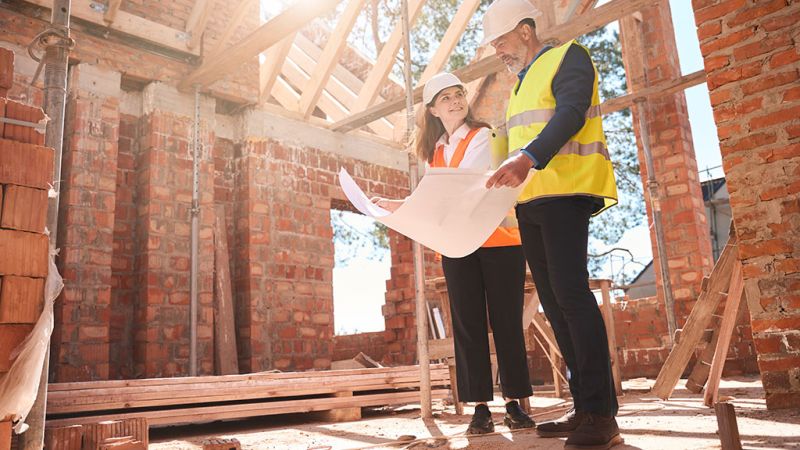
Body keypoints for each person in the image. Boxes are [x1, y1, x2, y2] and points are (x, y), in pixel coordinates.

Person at [481, 0, 621, 449]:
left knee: (572, 296)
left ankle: (602, 414)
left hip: (565, 192)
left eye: (502, 39)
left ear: (525, 31)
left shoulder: (568, 57)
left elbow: (571, 113)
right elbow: (516, 139)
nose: (498, 50)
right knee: (557, 305)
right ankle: (584, 408)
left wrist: (528, 158)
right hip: (531, 202)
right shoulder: (519, 85)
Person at [372, 72, 535, 435]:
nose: (456, 101)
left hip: (499, 242)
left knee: (506, 322)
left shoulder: (483, 135)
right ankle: (480, 408)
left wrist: (416, 202)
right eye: (446, 98)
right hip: (458, 246)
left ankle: (515, 404)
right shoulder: (436, 153)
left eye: (459, 94)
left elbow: (463, 185)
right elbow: (433, 200)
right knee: (467, 325)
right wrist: (393, 205)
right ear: (432, 110)